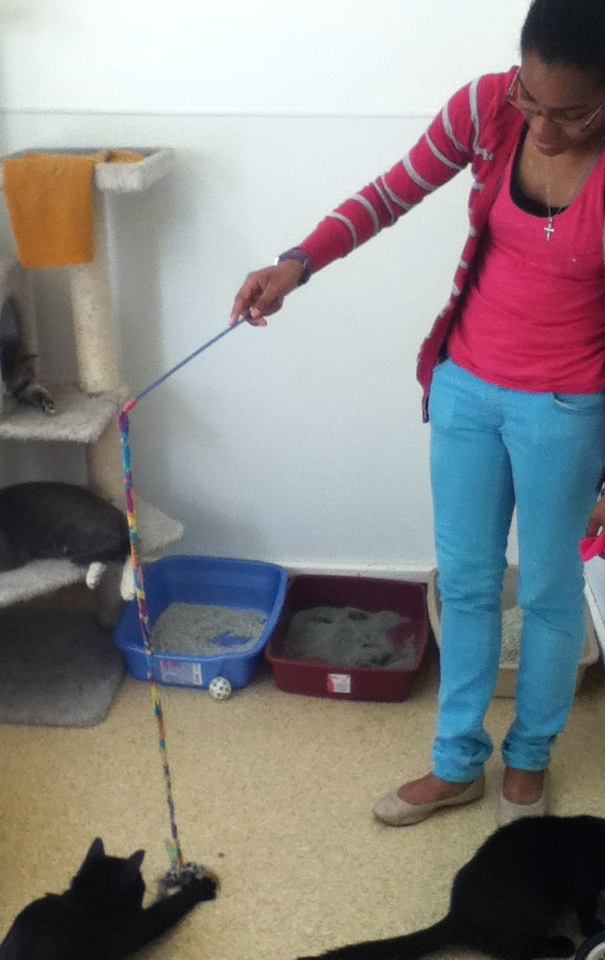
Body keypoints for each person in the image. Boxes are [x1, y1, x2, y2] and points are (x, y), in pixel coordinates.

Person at [231, 0, 605, 827]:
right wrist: (297, 263)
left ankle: (529, 760)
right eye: (532, 101)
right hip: (467, 387)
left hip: (568, 408)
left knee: (550, 591)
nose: (543, 129)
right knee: (466, 584)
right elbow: (389, 193)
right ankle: (456, 763)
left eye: (572, 113)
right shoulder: (487, 107)